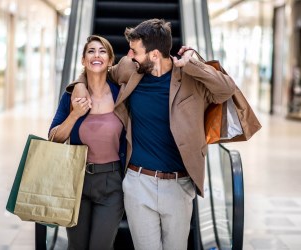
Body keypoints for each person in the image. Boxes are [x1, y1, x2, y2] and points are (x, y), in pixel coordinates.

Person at [68, 19, 236, 250]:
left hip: (179, 184)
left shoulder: (190, 79)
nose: (129, 55)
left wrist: (193, 64)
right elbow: (96, 70)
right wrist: (78, 84)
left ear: (155, 54)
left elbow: (226, 90)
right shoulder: (131, 69)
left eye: (135, 51)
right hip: (139, 183)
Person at [49, 35, 126, 250]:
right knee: (76, 246)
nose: (96, 55)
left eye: (102, 51)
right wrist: (75, 115)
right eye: (91, 51)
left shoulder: (122, 95)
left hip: (112, 183)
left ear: (111, 61)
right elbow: (54, 138)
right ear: (83, 60)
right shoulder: (71, 96)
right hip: (77, 180)